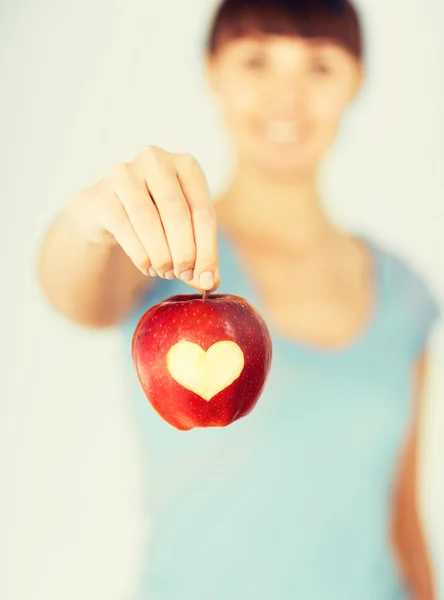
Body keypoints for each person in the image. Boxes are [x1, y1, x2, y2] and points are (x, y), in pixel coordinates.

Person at [38, 0, 440, 598]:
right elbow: (73, 294)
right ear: (213, 71)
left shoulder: (405, 293)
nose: (288, 97)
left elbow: (402, 518)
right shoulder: (157, 251)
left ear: (356, 81)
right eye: (257, 61)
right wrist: (91, 219)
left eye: (320, 67)